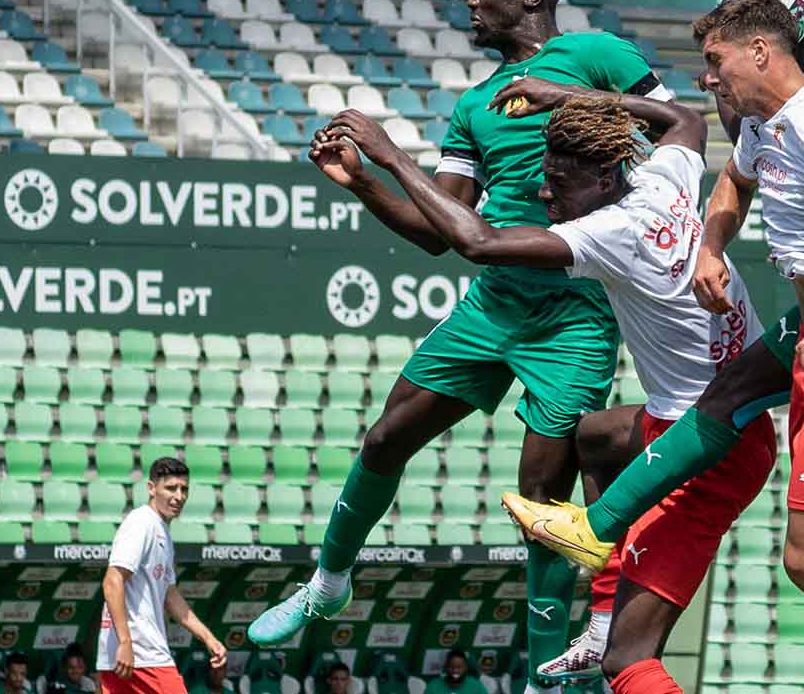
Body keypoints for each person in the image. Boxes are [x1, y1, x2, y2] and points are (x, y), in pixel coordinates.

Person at [249, 0, 671, 694]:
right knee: (384, 439)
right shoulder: (474, 105)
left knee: (541, 505)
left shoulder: (601, 54)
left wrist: (391, 148)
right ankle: (328, 582)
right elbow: (443, 231)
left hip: (577, 315)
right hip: (492, 303)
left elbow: (678, 132)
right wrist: (367, 181)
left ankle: (550, 673)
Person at [506, 0, 804, 692]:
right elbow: (731, 181)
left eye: (716, 60)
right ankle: (600, 548)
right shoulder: (766, 121)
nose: (709, 76)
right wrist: (712, 247)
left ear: (761, 51)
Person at [320, 73, 775, 694]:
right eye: (545, 176)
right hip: (719, 414)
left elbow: (477, 242)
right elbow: (686, 123)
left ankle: (606, 622)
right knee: (591, 437)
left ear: (605, 180)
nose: (543, 191)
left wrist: (391, 155)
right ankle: (600, 613)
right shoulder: (664, 180)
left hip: (705, 454)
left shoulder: (612, 230)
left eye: (560, 184)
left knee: (630, 664)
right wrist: (571, 100)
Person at [98, 458, 226, 694]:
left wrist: (208, 638)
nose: (179, 496)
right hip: (142, 653)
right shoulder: (141, 523)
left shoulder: (162, 531)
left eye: (184, 489)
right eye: (170, 488)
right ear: (151, 488)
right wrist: (126, 642)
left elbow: (169, 595)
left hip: (127, 655)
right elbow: (112, 580)